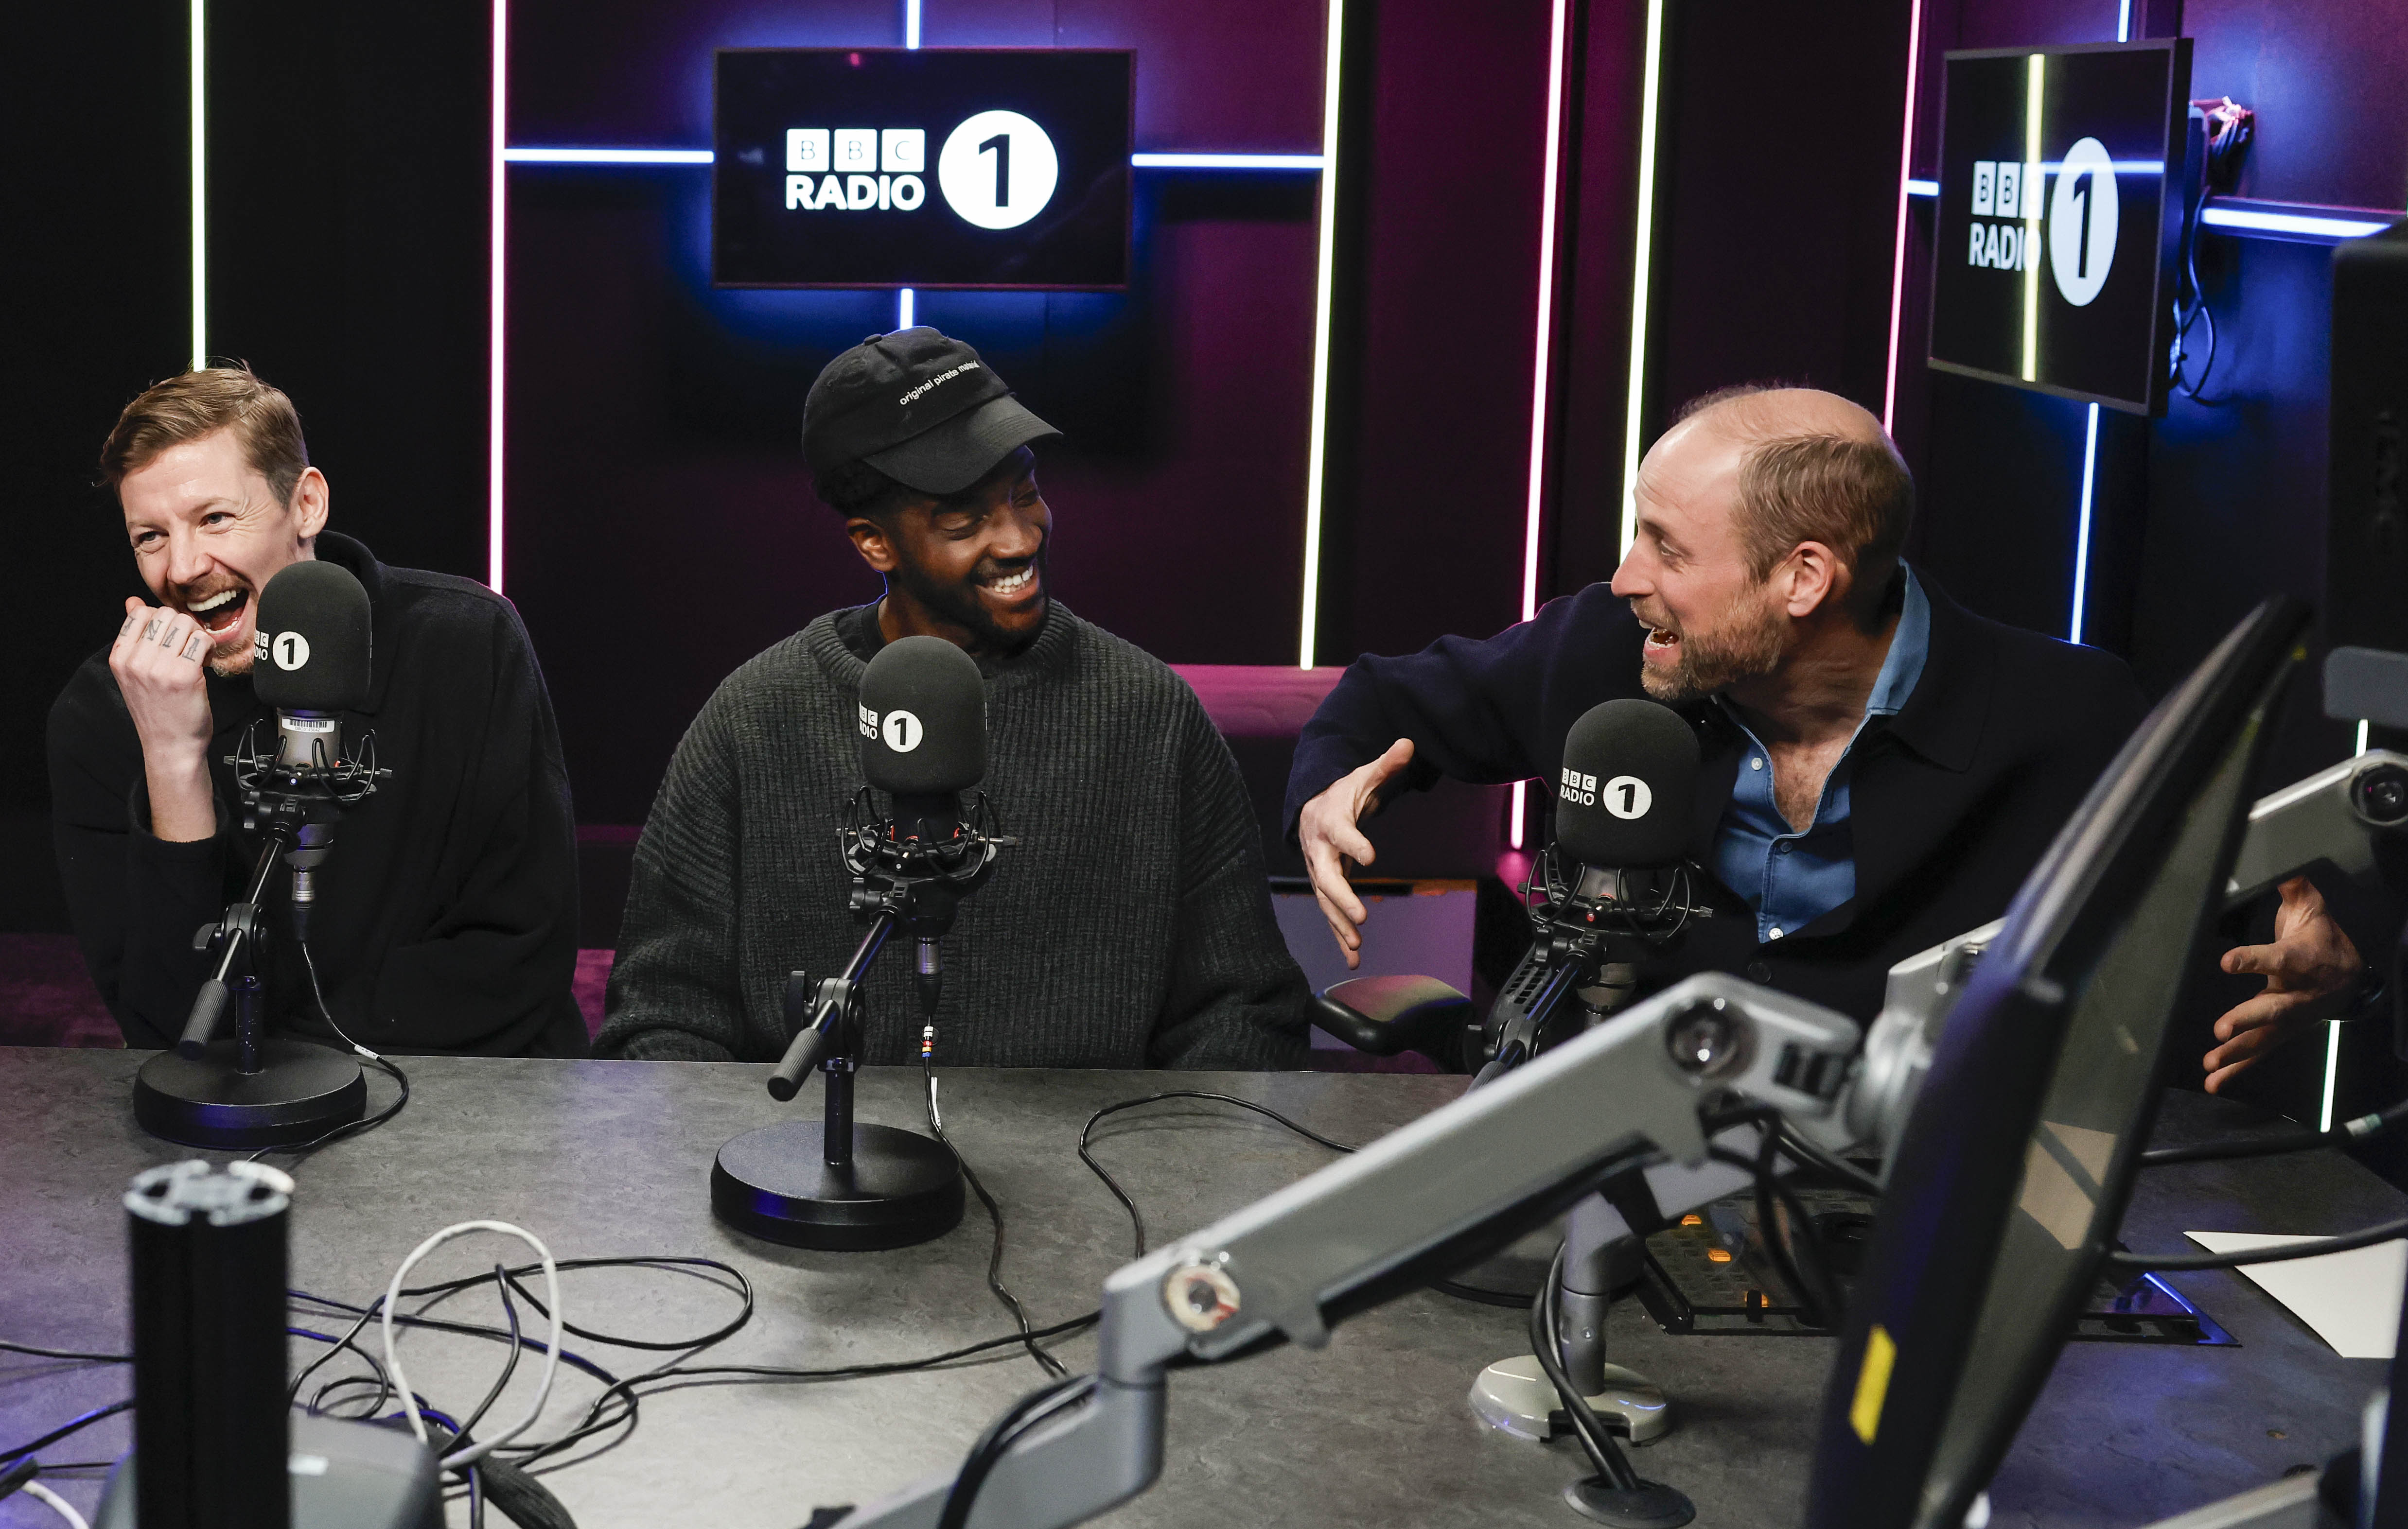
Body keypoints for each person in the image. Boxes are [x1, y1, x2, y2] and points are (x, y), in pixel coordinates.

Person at [1292, 384, 2366, 1088]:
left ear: (1802, 577)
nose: (1623, 578)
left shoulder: (2068, 715)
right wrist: (1329, 789)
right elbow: (1383, 704)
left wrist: (2338, 952)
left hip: (1909, 1211)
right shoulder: (1605, 652)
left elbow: (2282, 908)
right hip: (1627, 1163)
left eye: (1666, 547)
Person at [598, 328, 1310, 1068]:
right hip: (804, 1139)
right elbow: (661, 1015)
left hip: (1102, 1143)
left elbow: (1243, 1012)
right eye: (964, 520)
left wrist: (1165, 1140)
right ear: (875, 543)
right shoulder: (753, 718)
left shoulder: (1150, 712)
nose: (1018, 538)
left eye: (1025, 493)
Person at [48, 367, 585, 1056]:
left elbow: (520, 953)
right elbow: (170, 1029)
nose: (181, 569)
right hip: (242, 1108)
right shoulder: (101, 712)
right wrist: (173, 760)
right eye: (150, 536)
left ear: (306, 504)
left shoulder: (468, 643)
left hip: (478, 1088)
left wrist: (273, 1048)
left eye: (214, 519)